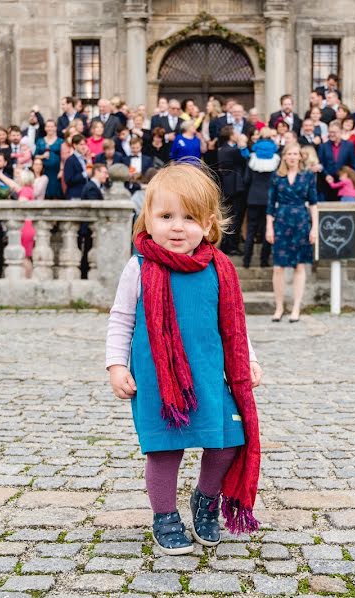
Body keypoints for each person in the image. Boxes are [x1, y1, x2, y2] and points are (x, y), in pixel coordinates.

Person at [105, 162, 263, 555]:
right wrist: (116, 364)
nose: (177, 227)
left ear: (209, 224)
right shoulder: (139, 267)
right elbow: (121, 317)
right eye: (166, 216)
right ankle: (164, 516)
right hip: (159, 379)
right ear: (148, 219)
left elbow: (234, 325)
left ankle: (206, 501)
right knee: (165, 449)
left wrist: (249, 360)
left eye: (189, 217)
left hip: (209, 376)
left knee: (226, 443)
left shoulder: (220, 269)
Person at [265, 144, 318, 323]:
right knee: (278, 267)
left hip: (301, 222)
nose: (293, 157)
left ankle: (296, 307)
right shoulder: (276, 177)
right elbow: (271, 205)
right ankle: (279, 307)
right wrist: (269, 227)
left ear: (300, 157)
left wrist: (314, 227)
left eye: (296, 154)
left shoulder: (308, 176)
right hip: (281, 221)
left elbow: (313, 203)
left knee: (300, 266)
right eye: (290, 154)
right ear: (284, 157)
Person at [242, 129, 281, 269]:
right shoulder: (276, 159)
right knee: (267, 230)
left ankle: (246, 260)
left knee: (251, 230)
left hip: (253, 198)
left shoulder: (252, 158)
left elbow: (246, 180)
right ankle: (264, 260)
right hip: (269, 199)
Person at [215, 126, 248, 256]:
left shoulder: (223, 148)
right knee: (236, 217)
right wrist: (242, 144)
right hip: (234, 187)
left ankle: (228, 244)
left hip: (230, 187)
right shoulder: (231, 150)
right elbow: (243, 158)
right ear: (230, 135)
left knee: (231, 216)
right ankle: (231, 245)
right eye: (235, 133)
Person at [317, 121, 355, 201]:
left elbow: (354, 164)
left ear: (340, 132)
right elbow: (320, 163)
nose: (331, 134)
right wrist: (326, 175)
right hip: (327, 183)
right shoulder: (323, 146)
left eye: (334, 132)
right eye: (330, 132)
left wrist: (350, 178)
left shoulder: (349, 145)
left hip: (344, 185)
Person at [35, 119, 63, 198]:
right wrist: (42, 156)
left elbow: (63, 157)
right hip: (43, 171)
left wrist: (61, 170)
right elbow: (35, 156)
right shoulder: (40, 141)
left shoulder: (61, 141)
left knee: (56, 194)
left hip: (56, 172)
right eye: (48, 126)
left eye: (52, 126)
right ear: (45, 128)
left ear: (55, 128)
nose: (50, 128)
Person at [64, 134, 90, 199]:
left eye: (85, 144)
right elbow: (68, 180)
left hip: (85, 195)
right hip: (75, 195)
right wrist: (85, 174)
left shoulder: (85, 159)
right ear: (75, 145)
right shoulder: (70, 160)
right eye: (81, 144)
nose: (84, 147)